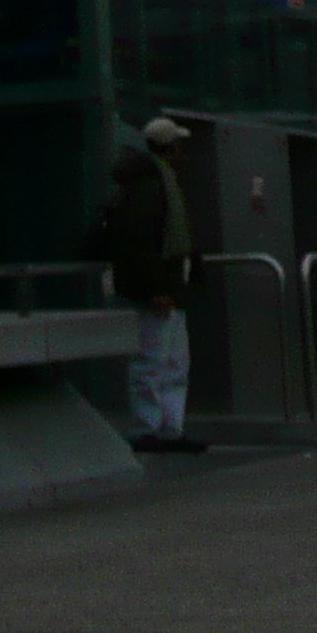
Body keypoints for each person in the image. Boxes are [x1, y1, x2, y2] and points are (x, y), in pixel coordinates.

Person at [107, 116, 207, 455]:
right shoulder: (151, 186)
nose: (183, 153)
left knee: (173, 361)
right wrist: (155, 288)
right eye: (178, 145)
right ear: (169, 147)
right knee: (154, 361)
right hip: (160, 286)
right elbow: (139, 240)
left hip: (169, 284)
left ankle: (168, 428)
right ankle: (149, 429)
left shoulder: (160, 182)